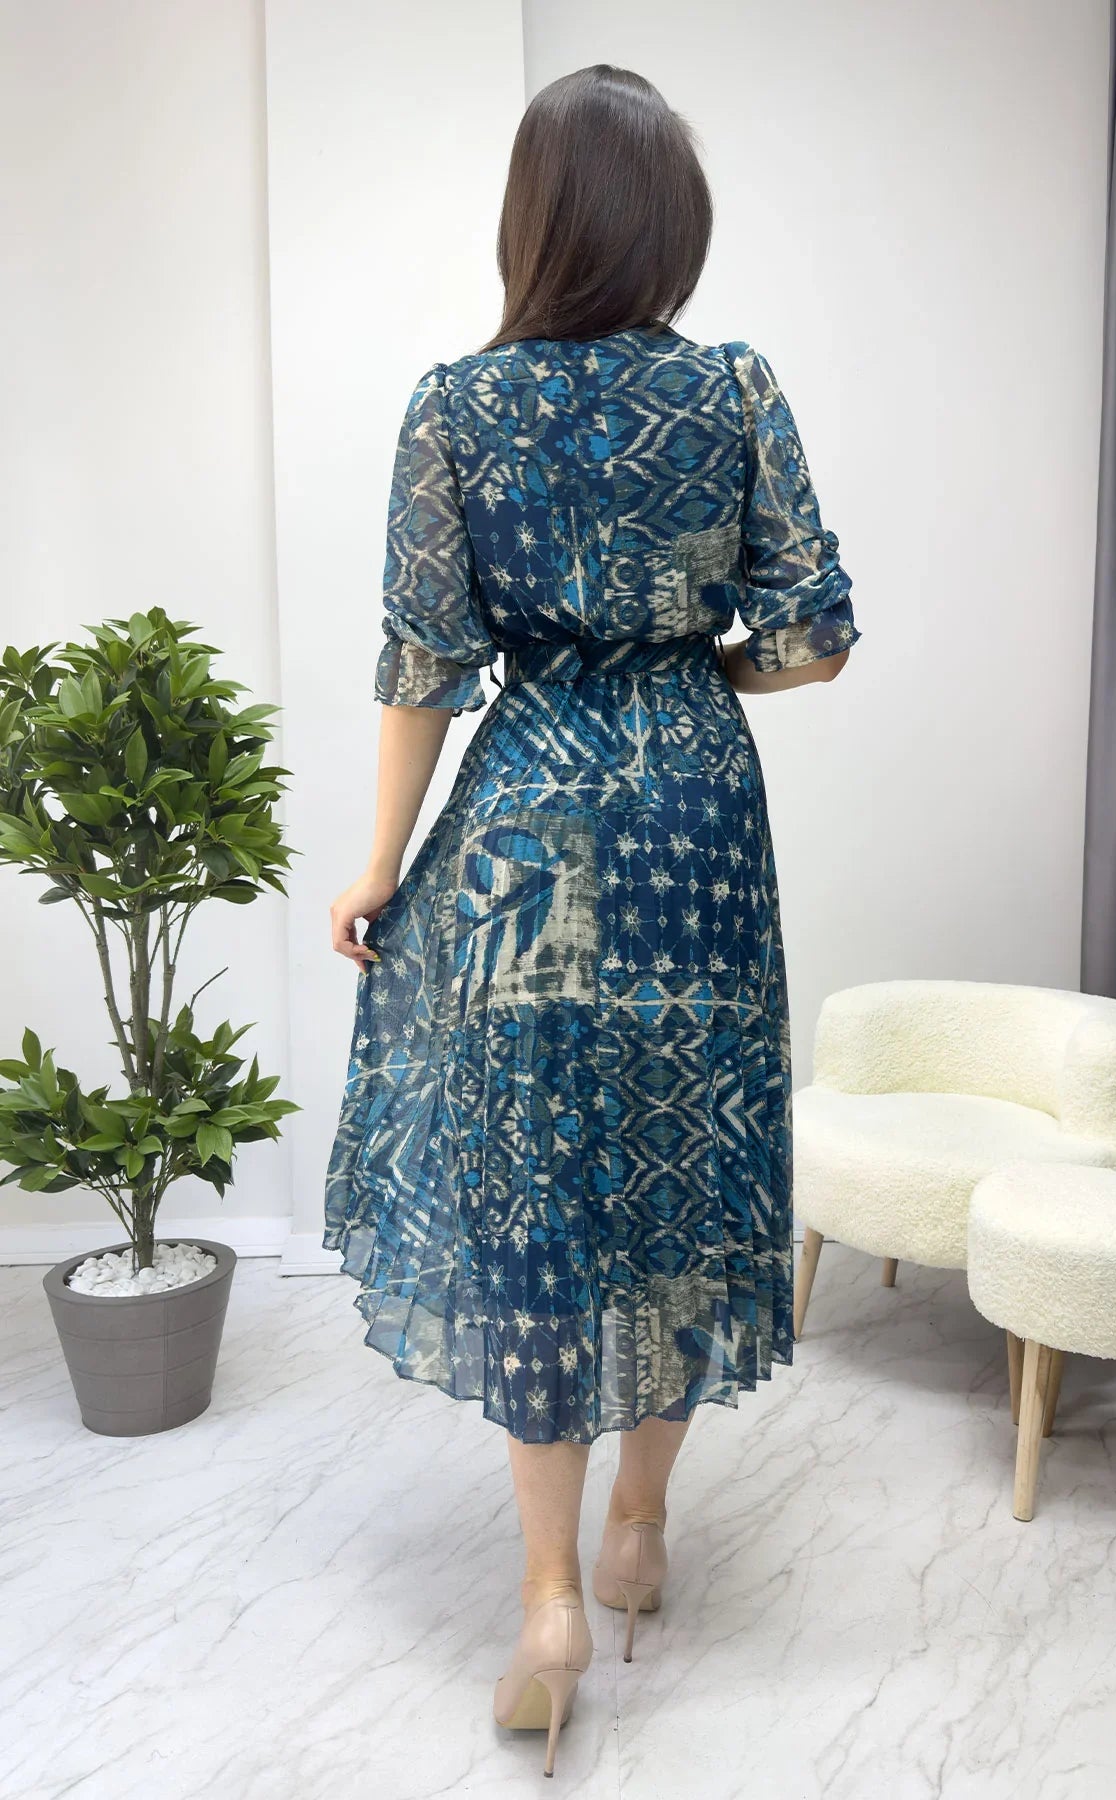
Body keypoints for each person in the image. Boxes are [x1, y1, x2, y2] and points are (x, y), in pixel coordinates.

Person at [325, 62, 859, 1779]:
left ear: (533, 221)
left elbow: (424, 665)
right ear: (669, 222)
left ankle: (548, 1600)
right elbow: (817, 637)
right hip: (694, 823)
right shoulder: (735, 387)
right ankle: (640, 1532)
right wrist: (696, 672)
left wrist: (378, 863)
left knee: (542, 1188)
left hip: (529, 833)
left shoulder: (455, 408)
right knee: (682, 1163)